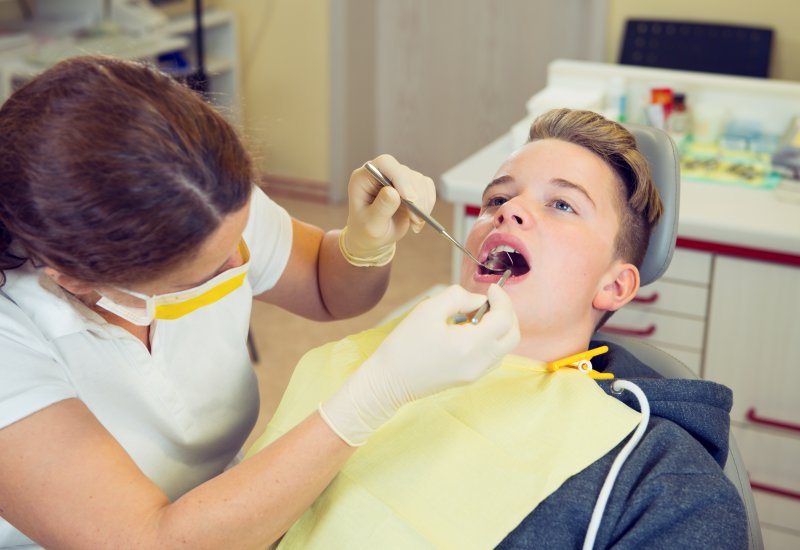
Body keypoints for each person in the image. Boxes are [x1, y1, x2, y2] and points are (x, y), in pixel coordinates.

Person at [0, 56, 520, 548]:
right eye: (209, 271)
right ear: (73, 280)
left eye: (240, 238)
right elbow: (147, 540)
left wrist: (363, 245)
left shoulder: (201, 192)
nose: (240, 267)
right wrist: (374, 395)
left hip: (233, 506)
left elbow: (323, 285)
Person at [249, 109, 748, 548]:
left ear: (615, 286)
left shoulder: (661, 477)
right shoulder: (388, 354)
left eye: (562, 204)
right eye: (496, 199)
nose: (508, 210)